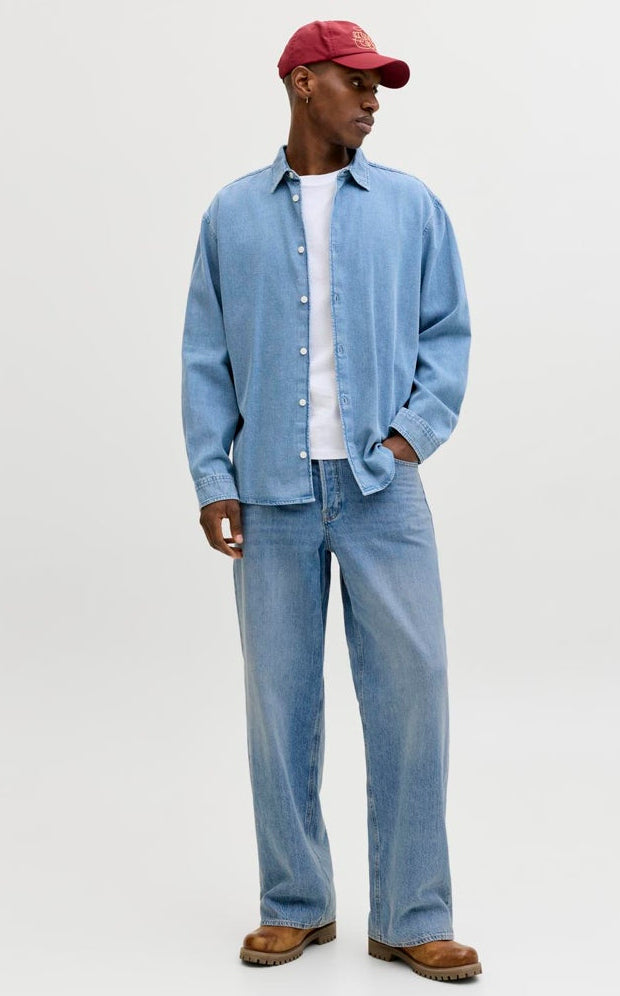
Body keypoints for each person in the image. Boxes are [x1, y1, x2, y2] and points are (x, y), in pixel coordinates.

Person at [180, 18, 481, 983]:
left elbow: (448, 334)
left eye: (378, 84)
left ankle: (411, 915)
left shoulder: (411, 206)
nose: (373, 99)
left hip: (381, 490)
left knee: (414, 695)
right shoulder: (231, 214)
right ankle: (296, 905)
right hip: (269, 495)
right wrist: (213, 479)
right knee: (279, 706)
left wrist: (408, 437)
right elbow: (205, 357)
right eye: (357, 82)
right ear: (303, 82)